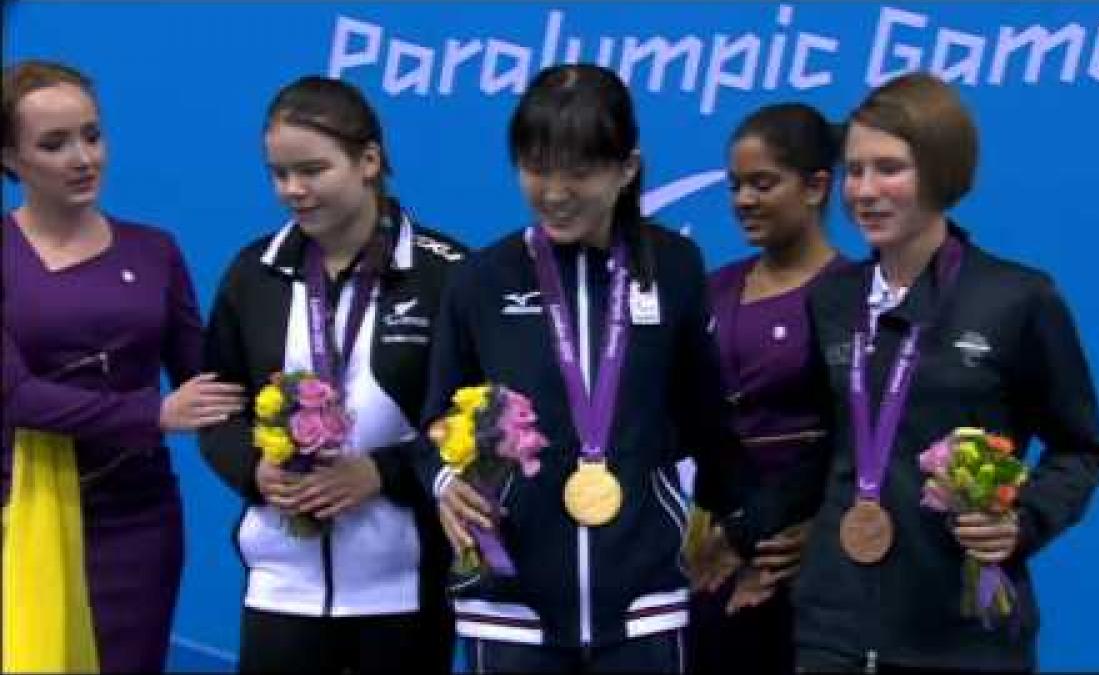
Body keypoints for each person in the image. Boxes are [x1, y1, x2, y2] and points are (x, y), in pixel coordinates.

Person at [712, 72, 1099, 672]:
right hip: (833, 630)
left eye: (889, 168)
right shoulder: (832, 299)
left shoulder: (1015, 298)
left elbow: (1082, 448)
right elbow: (832, 445)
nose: (865, 191)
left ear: (940, 171)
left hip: (960, 634)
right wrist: (738, 531)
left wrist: (1024, 520)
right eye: (854, 170)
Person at [416, 63, 747, 673]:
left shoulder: (674, 266)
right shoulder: (480, 280)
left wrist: (739, 522)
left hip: (644, 588)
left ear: (626, 169)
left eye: (580, 171)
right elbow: (434, 422)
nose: (556, 191)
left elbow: (705, 416)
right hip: (511, 592)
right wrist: (444, 484)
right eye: (537, 169)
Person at [198, 75, 466, 673]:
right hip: (279, 585)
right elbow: (218, 410)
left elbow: (475, 421)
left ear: (368, 160)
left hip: (405, 586)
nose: (293, 190)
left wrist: (381, 473)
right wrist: (254, 469)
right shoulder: (253, 275)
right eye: (278, 174)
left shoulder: (444, 275)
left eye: (312, 170)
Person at [0, 60, 245, 672]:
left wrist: (293, 420)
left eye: (92, 134)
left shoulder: (155, 250)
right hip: (17, 512)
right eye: (54, 144)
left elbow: (206, 378)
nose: (83, 157)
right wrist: (154, 413)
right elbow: (13, 398)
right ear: (9, 157)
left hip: (139, 522)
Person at [688, 103, 850, 675]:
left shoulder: (853, 296)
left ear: (816, 187)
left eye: (763, 183)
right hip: (710, 552)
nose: (743, 200)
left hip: (802, 556)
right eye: (735, 186)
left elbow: (857, 437)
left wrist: (815, 530)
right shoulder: (710, 287)